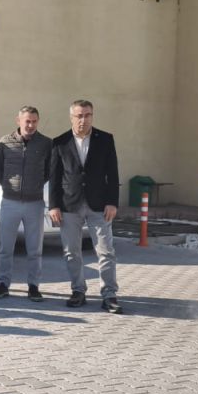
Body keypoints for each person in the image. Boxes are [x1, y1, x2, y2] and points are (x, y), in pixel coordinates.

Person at [49, 99, 122, 313]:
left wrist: (112, 202)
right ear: (71, 117)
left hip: (99, 205)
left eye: (87, 115)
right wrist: (54, 205)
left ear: (92, 116)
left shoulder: (105, 140)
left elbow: (113, 173)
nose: (83, 119)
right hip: (69, 205)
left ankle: (109, 295)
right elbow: (55, 178)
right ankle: (78, 291)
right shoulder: (59, 142)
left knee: (106, 251)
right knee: (72, 252)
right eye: (79, 115)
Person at [0, 106, 51, 302]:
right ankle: (3, 284)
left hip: (35, 203)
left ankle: (34, 286)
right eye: (27, 121)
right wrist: (10, 188)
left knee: (35, 249)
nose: (30, 125)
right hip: (9, 202)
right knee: (5, 248)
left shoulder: (45, 144)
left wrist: (34, 186)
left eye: (34, 121)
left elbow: (49, 171)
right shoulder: (5, 143)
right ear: (18, 120)